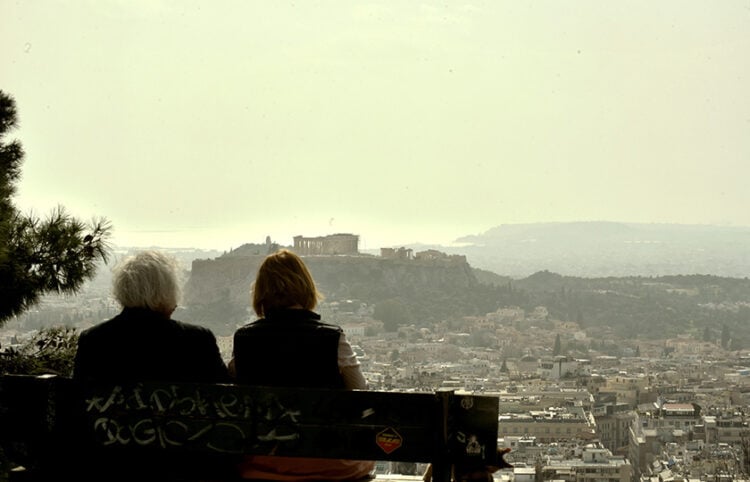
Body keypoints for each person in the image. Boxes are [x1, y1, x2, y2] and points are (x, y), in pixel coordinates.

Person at [71, 249, 231, 481]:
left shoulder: (93, 341)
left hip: (111, 468)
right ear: (165, 293)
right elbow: (224, 407)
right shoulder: (197, 341)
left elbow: (80, 409)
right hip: (184, 469)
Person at [231, 248, 374, 481]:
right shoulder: (332, 338)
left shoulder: (244, 339)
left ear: (260, 293)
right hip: (331, 464)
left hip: (263, 463)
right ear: (306, 287)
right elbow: (360, 393)